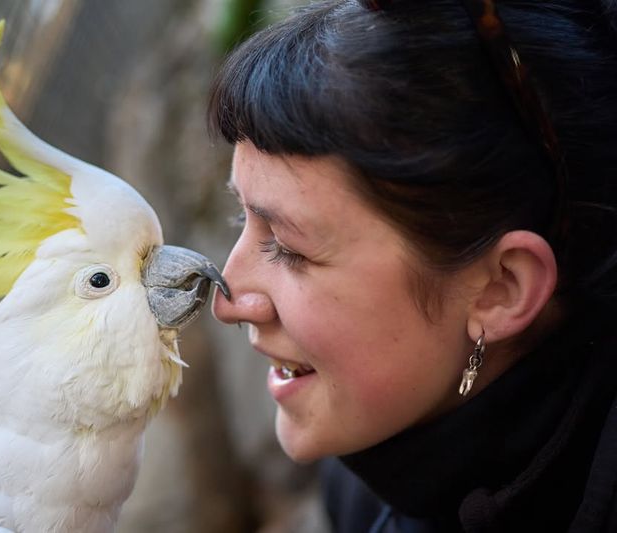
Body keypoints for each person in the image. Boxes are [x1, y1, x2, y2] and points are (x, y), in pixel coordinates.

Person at [208, 0, 617, 531]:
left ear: (500, 288)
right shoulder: (365, 475)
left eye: (289, 246)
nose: (227, 299)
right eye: (239, 218)